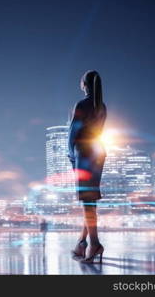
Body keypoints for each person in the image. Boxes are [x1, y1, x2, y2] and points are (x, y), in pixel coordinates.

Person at [68, 70, 107, 264]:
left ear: (84, 84)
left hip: (83, 153)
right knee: (90, 201)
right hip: (98, 152)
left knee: (87, 201)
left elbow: (73, 132)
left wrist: (71, 155)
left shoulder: (81, 105)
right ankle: (82, 243)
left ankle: (94, 244)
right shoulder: (102, 107)